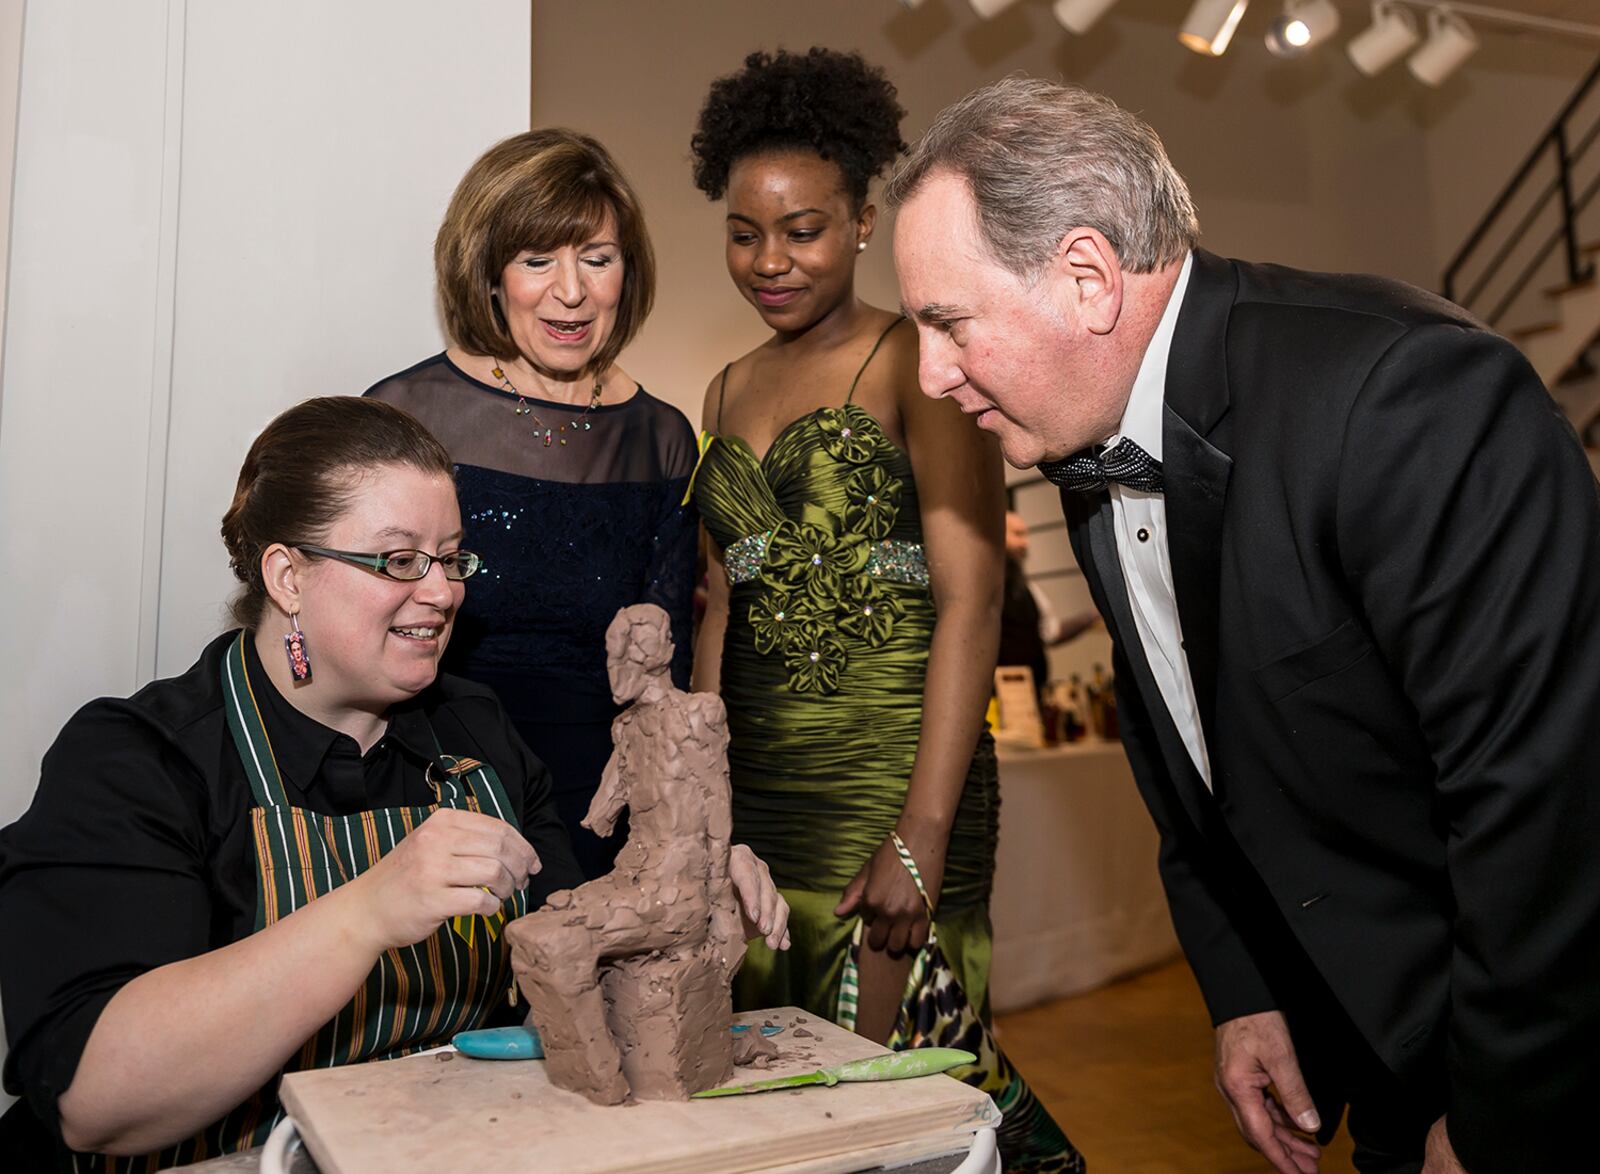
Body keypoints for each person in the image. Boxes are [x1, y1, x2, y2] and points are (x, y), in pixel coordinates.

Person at [889, 76, 1600, 1174]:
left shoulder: (1404, 395)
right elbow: (1186, 753)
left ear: (1084, 277)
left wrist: (1498, 1121)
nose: (930, 375)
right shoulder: (1085, 433)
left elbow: (1548, 810)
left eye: (947, 323)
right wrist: (1246, 990)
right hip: (1375, 1051)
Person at [0, 397, 786, 1171]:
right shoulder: (139, 760)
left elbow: (581, 972)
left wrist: (679, 904)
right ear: (288, 576)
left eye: (451, 559)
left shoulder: (476, 732)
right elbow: (94, 1101)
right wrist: (368, 911)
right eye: (399, 561)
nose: (443, 592)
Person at [688, 49, 1082, 1173]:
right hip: (762, 793)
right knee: (771, 1101)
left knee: (882, 1110)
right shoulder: (723, 388)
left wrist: (919, 833)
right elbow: (722, 606)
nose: (769, 260)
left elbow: (972, 597)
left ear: (864, 221)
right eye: (744, 231)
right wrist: (707, 808)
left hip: (893, 780)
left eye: (802, 229)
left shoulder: (915, 355)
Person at [367, 129, 697, 880]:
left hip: (599, 807)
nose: (572, 291)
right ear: (489, 274)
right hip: (434, 787)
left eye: (598, 259)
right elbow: (357, 631)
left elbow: (663, 672)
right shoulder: (408, 415)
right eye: (537, 259)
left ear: (627, 271)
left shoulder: (663, 439)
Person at [998, 510, 1097, 698]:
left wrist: (1092, 616)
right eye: (1017, 534)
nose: (1025, 543)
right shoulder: (982, 585)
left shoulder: (1027, 587)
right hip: (998, 698)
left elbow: (1050, 632)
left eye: (1026, 535)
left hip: (1034, 694)